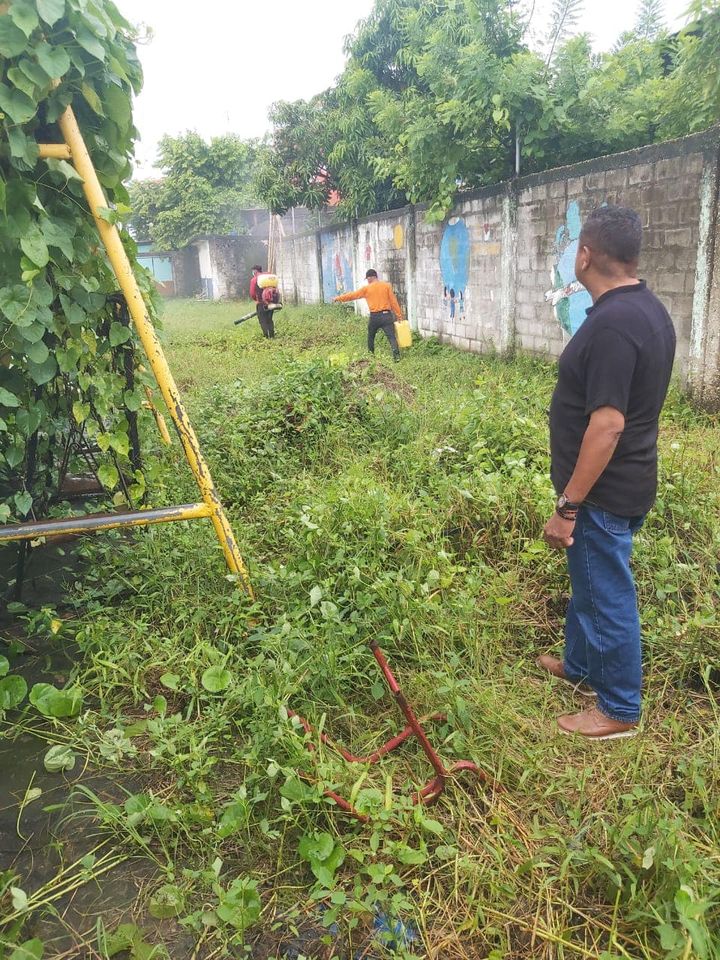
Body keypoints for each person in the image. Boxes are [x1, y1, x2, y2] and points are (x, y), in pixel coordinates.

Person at [539, 205, 676, 740]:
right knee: (589, 581)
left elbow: (608, 425)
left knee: (606, 594)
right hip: (627, 480)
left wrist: (569, 504)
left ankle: (619, 709)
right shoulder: (647, 309)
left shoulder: (615, 325)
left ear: (585, 255)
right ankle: (579, 666)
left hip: (602, 492)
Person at [333, 269, 403, 361]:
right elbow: (393, 301)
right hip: (386, 316)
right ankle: (396, 357)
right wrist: (399, 315)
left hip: (375, 317)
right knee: (391, 336)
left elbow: (352, 295)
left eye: (367, 279)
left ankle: (371, 356)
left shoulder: (366, 289)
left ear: (370, 277)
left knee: (371, 336)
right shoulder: (387, 286)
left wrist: (338, 298)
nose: (367, 281)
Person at [250, 265, 275, 339]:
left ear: (255, 271)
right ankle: (272, 335)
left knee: (262, 320)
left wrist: (257, 300)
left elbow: (252, 293)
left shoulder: (254, 279)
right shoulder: (268, 277)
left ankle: (266, 336)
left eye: (253, 271)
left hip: (261, 303)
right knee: (269, 319)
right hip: (271, 302)